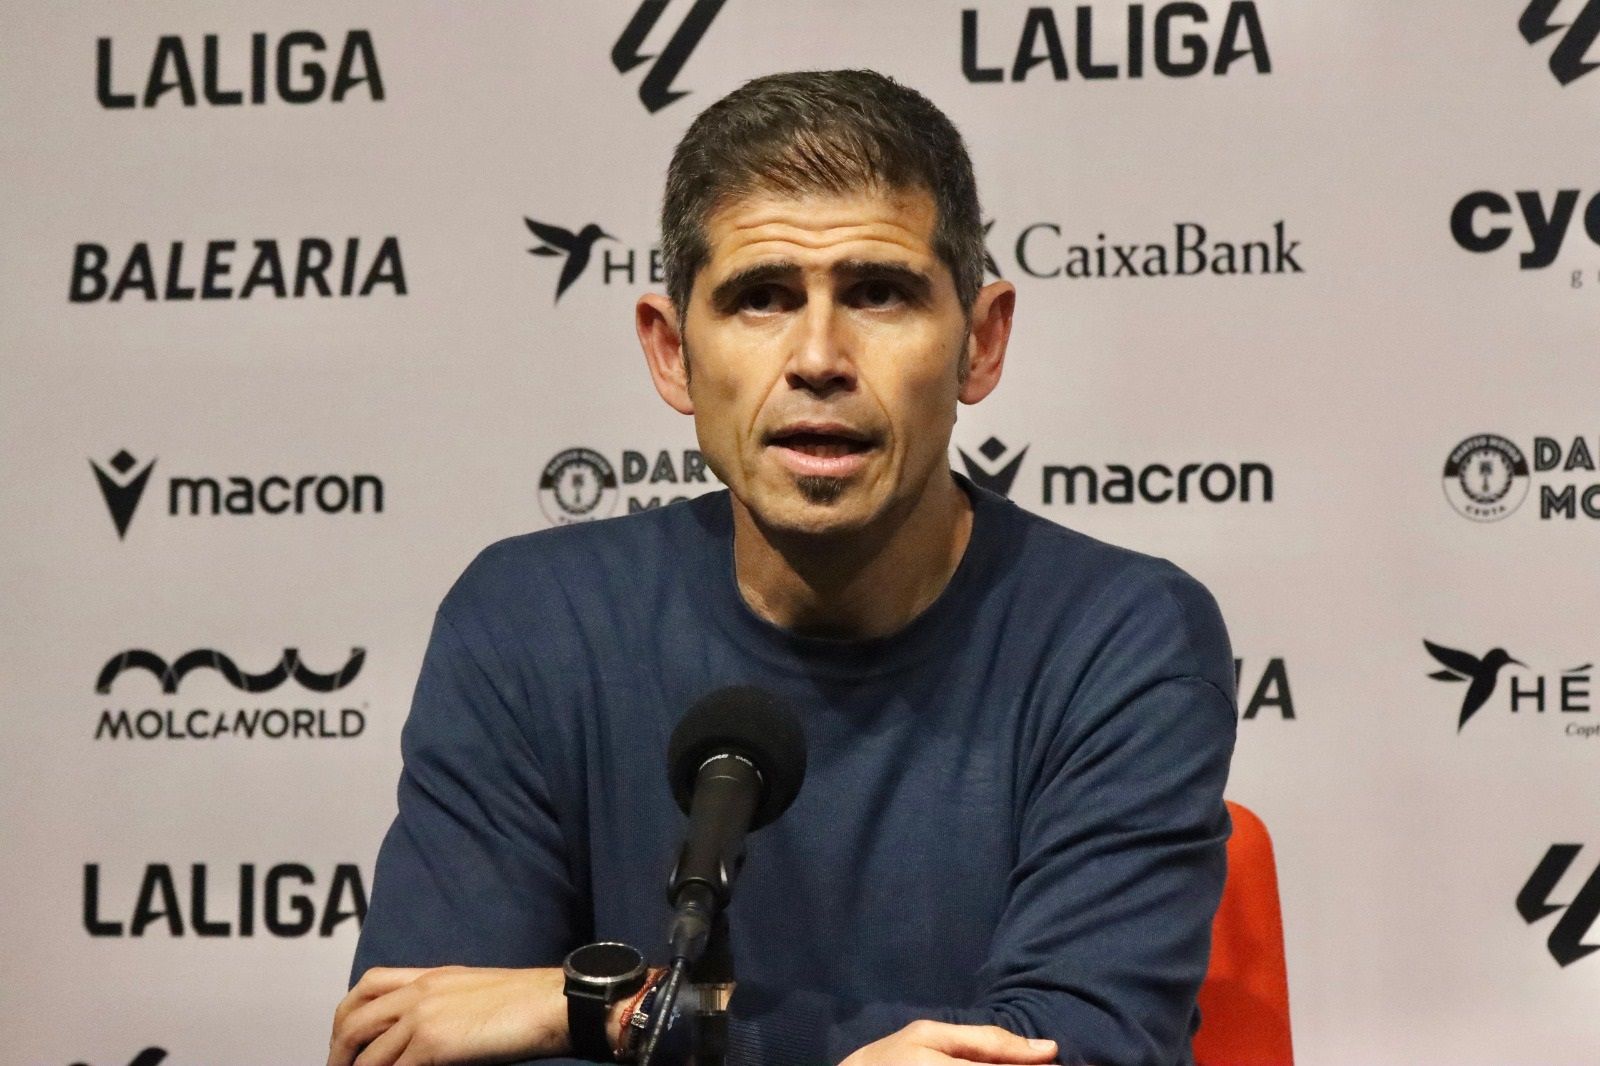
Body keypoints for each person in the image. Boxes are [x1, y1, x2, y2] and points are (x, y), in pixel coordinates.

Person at [329, 69, 1235, 1066]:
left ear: (980, 342)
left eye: (878, 294)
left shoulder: (1122, 634)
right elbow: (408, 1043)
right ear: (671, 352)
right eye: (760, 298)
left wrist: (600, 1007)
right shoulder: (530, 623)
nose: (817, 356)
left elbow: (1077, 1050)